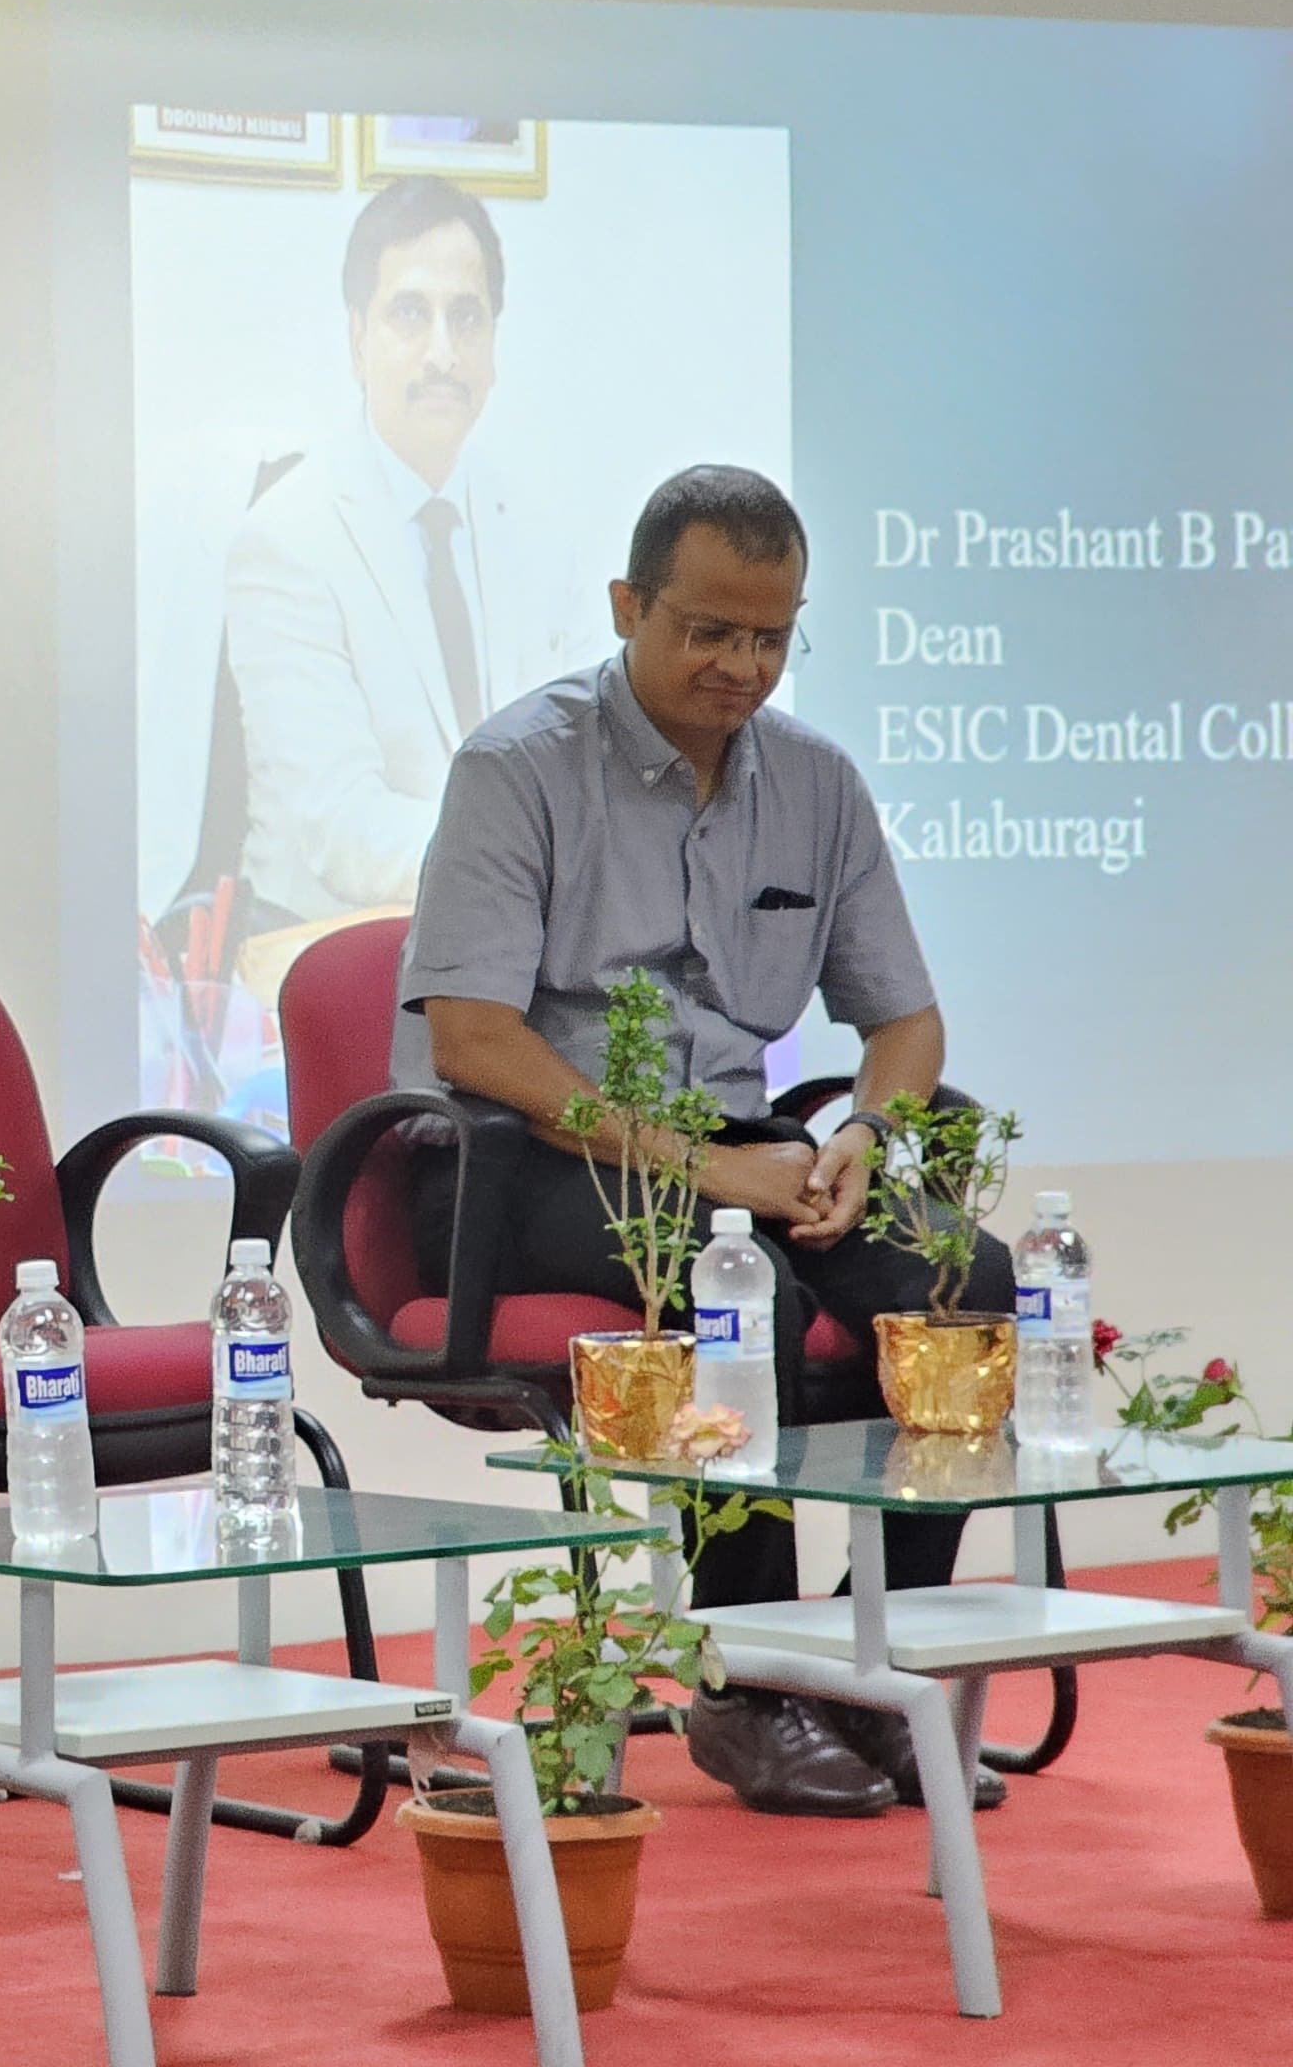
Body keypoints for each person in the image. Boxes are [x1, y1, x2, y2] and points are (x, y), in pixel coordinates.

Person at [396, 463, 1013, 1822]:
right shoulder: (515, 766)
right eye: (708, 631)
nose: (742, 666)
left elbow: (904, 1019)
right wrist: (707, 1171)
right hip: (522, 1161)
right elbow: (474, 1042)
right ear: (629, 605)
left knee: (966, 1277)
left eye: (771, 637)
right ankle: (742, 1681)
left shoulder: (816, 782)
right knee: (745, 1289)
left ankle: (870, 1664)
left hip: (741, 1149)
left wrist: (864, 1134)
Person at [216, 177, 586, 932]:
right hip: (337, 952)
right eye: (411, 314)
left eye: (467, 317)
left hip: (512, 943)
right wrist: (533, 857)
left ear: (493, 345)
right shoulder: (285, 537)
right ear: (358, 339)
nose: (443, 352)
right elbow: (339, 825)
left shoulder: (540, 532)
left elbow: (586, 767)